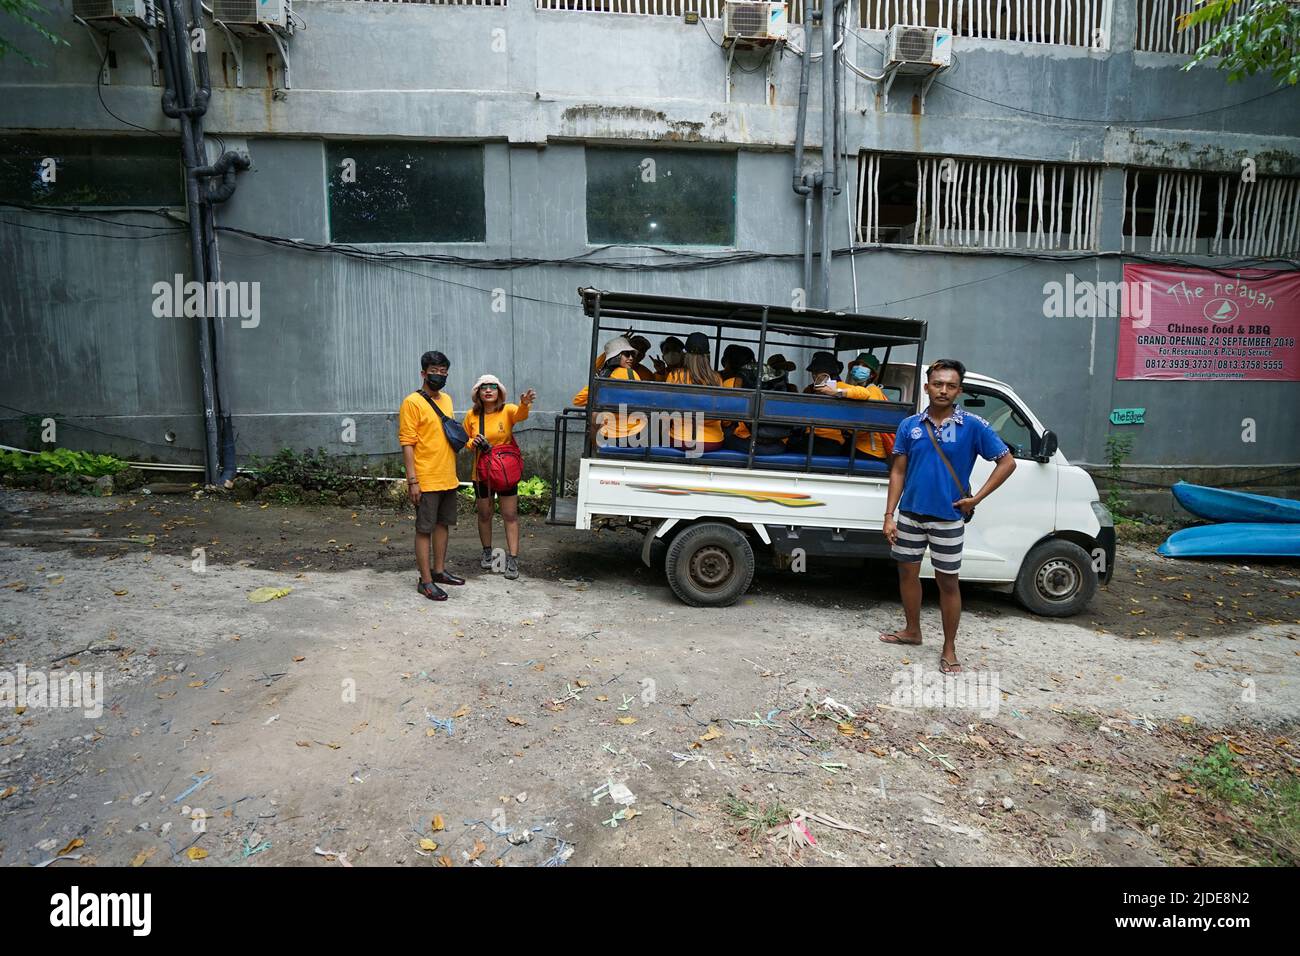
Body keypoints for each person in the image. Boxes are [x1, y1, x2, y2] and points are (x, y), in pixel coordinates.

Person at [880, 359, 1018, 674]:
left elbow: (1007, 462)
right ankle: (912, 631)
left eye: (950, 385)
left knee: (948, 582)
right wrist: (890, 515)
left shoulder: (974, 425)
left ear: (959, 390)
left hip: (948, 518)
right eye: (937, 384)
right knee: (906, 574)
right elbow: (898, 470)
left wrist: (977, 498)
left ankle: (949, 647)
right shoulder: (910, 425)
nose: (943, 390)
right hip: (910, 515)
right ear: (927, 387)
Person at [399, 350, 471, 601]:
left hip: (448, 475)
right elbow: (407, 443)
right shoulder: (412, 402)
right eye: (434, 372)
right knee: (424, 529)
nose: (439, 376)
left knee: (443, 525)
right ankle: (425, 580)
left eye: (443, 373)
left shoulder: (447, 400)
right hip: (425, 477)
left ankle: (439, 571)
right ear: (423, 373)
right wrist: (413, 481)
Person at [464, 375, 535, 581]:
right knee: (485, 514)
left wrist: (525, 403)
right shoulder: (471, 416)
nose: (488, 391)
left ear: (499, 392)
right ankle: (487, 552)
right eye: (483, 388)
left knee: (510, 515)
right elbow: (466, 440)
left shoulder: (508, 410)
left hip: (505, 472)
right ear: (478, 393)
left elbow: (521, 415)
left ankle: (512, 558)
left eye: (492, 387)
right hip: (482, 474)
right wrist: (473, 443)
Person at [813, 353, 894, 460]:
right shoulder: (855, 388)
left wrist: (836, 392)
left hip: (869, 451)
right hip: (858, 445)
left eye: (864, 366)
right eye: (857, 365)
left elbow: (867, 423)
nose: (859, 368)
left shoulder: (873, 390)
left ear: (872, 375)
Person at [572, 336, 647, 446]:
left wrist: (599, 378)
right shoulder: (632, 374)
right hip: (635, 432)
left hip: (610, 433)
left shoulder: (605, 377)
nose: (631, 358)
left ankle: (596, 451)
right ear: (616, 356)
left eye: (632, 355)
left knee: (594, 415)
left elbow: (578, 400)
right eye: (627, 354)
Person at [664, 332, 724, 452]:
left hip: (680, 439)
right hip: (712, 442)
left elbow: (666, 411)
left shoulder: (675, 376)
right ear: (707, 355)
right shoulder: (717, 378)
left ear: (685, 354)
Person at [723, 360, 797, 455]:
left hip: (750, 444)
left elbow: (725, 423)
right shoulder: (785, 392)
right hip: (778, 447)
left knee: (725, 435)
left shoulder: (738, 390)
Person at [797, 352, 851, 455]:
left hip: (832, 441)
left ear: (829, 372)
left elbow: (864, 393)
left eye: (817, 371)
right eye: (812, 371)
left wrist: (836, 392)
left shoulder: (840, 387)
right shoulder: (809, 389)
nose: (813, 374)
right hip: (809, 437)